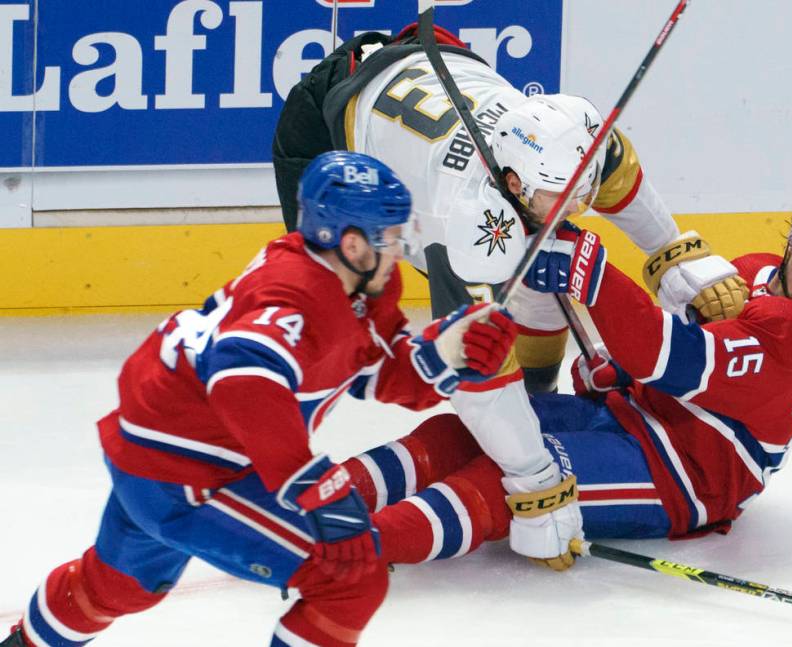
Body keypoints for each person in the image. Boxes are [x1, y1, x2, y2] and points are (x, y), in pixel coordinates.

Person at [272, 23, 748, 570]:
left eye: (584, 188)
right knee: (330, 308)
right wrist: (537, 484)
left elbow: (615, 172)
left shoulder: (569, 144)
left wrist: (671, 252)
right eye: (562, 196)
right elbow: (476, 376)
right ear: (515, 185)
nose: (580, 206)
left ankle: (534, 400)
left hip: (433, 59)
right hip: (332, 116)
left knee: (531, 265)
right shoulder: (466, 222)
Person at [1, 151, 518, 647]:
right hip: (190, 470)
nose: (399, 247)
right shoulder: (297, 291)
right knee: (350, 580)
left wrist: (448, 355)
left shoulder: (360, 285)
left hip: (160, 445)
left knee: (117, 585)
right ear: (352, 243)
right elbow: (241, 375)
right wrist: (317, 488)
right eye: (388, 236)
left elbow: (377, 370)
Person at [311, 191, 792, 565]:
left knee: (516, 477)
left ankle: (357, 551)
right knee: (468, 432)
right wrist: (616, 371)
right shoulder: (754, 271)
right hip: (639, 418)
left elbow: (667, 355)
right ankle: (320, 499)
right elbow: (669, 353)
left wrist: (593, 273)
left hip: (687, 475)